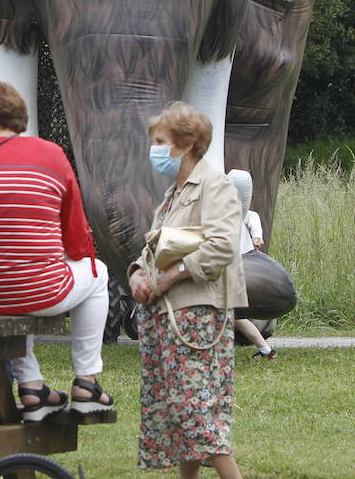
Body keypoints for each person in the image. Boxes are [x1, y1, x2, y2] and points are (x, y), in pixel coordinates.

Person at [0, 81, 113, 420]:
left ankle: (31, 386)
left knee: (8, 290)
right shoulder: (50, 154)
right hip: (38, 291)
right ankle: (86, 381)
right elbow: (76, 236)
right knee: (98, 273)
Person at [128, 102, 245, 479]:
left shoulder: (214, 184)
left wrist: (175, 275)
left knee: (195, 413)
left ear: (187, 142)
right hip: (169, 315)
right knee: (180, 413)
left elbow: (223, 245)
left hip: (198, 315)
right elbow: (154, 251)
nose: (155, 149)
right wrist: (136, 275)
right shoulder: (172, 195)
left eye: (161, 141)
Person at [226, 169, 275, 361]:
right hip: (231, 267)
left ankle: (265, 349)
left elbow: (253, 220)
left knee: (232, 315)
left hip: (235, 268)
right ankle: (265, 350)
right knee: (233, 316)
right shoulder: (225, 215)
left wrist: (257, 236)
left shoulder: (242, 216)